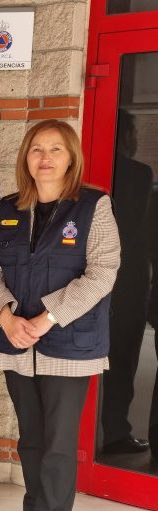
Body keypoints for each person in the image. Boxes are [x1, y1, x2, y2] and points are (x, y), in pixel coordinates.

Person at [0, 119, 119, 511]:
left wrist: (45, 318)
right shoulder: (7, 208)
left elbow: (102, 272)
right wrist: (6, 317)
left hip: (69, 344)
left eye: (55, 149)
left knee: (58, 443)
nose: (45, 157)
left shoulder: (94, 206)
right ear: (26, 157)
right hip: (17, 341)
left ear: (71, 157)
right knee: (31, 439)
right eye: (37, 148)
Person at [100, 111, 153, 456]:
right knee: (122, 360)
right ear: (126, 136)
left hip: (87, 279)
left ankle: (87, 431)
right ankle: (115, 432)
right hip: (127, 284)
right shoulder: (138, 173)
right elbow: (133, 231)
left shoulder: (90, 170)